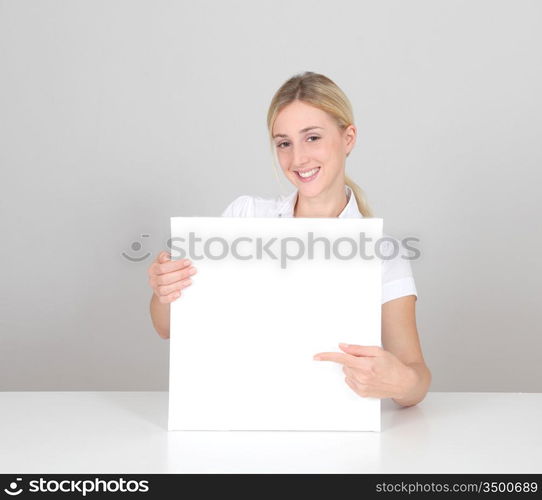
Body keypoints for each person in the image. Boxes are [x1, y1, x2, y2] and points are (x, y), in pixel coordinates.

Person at [148, 71, 431, 408]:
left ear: (348, 138)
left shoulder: (384, 253)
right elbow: (167, 327)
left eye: (312, 138)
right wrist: (165, 290)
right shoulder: (245, 217)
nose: (298, 159)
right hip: (238, 418)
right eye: (284, 143)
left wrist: (400, 380)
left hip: (337, 436)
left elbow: (415, 379)